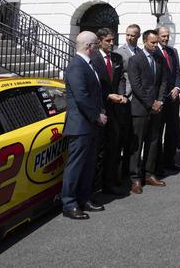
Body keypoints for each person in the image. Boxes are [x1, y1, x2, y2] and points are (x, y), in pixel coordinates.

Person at [60, 31, 107, 219]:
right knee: (76, 166)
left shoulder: (89, 65)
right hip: (81, 126)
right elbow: (81, 97)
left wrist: (100, 112)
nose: (98, 47)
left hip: (91, 125)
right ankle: (69, 203)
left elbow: (95, 93)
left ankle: (84, 198)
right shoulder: (76, 66)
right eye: (96, 44)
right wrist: (97, 116)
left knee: (88, 165)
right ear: (90, 46)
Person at [127, 29, 169, 193]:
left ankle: (149, 174)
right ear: (144, 42)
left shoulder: (159, 59)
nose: (155, 45)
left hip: (156, 108)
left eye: (157, 43)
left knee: (153, 142)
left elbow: (163, 81)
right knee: (137, 145)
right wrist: (151, 103)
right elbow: (136, 86)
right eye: (152, 43)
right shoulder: (135, 60)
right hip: (140, 109)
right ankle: (135, 179)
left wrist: (159, 101)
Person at [91, 28, 130, 196]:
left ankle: (109, 183)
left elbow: (121, 78)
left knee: (113, 148)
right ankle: (94, 187)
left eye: (113, 40)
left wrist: (121, 95)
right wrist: (108, 96)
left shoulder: (117, 58)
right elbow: (91, 86)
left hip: (115, 111)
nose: (112, 43)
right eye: (108, 40)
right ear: (100, 41)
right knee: (98, 151)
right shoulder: (92, 58)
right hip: (98, 109)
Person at [114, 24, 143, 183]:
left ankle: (131, 169)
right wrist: (121, 95)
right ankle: (120, 172)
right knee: (123, 137)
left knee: (134, 138)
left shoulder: (140, 52)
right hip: (125, 98)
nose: (130, 37)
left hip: (138, 100)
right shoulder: (119, 53)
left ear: (138, 36)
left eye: (133, 35)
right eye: (128, 34)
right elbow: (118, 77)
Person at [156, 26, 180, 175]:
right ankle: (157, 165)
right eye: (163, 36)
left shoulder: (173, 52)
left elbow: (178, 73)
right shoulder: (153, 52)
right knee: (158, 131)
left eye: (167, 36)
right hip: (161, 99)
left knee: (172, 131)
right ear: (157, 36)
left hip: (174, 98)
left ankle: (170, 160)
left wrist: (177, 88)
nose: (165, 38)